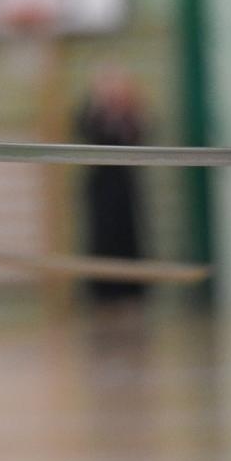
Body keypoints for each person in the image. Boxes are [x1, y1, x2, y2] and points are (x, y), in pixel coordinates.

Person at [75, 63, 150, 304]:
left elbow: (142, 135)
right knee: (101, 237)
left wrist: (126, 109)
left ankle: (132, 292)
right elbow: (82, 129)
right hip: (101, 186)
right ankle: (102, 293)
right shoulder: (92, 113)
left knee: (128, 236)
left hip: (126, 185)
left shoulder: (132, 113)